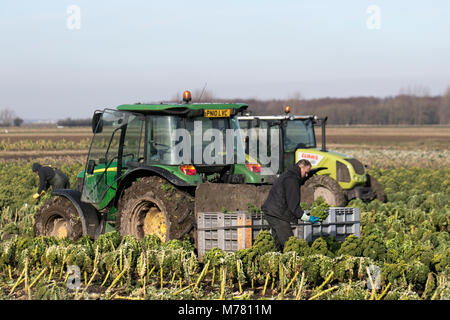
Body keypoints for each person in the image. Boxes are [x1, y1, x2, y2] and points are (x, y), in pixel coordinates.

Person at [261, 159, 320, 251]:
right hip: (278, 213)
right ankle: (292, 263)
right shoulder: (292, 180)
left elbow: (301, 178)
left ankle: (277, 260)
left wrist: (311, 173)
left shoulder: (290, 173)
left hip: (272, 212)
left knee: (278, 243)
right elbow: (293, 205)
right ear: (301, 167)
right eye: (306, 172)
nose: (306, 175)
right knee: (290, 244)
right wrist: (306, 218)